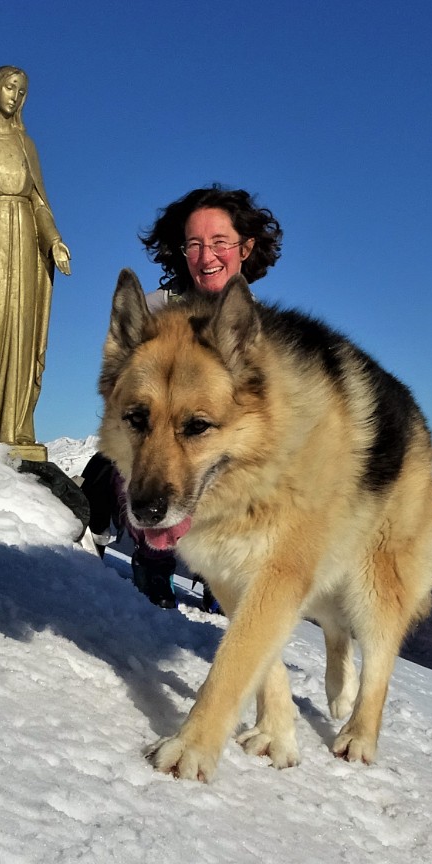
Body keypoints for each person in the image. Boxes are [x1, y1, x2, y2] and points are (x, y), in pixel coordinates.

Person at [87, 185, 283, 607]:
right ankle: (151, 562)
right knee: (122, 466)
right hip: (155, 430)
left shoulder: (256, 322)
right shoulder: (157, 308)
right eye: (193, 245)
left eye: (219, 243)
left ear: (245, 248)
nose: (206, 257)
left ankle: (225, 576)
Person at [0, 66, 70, 459]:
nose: (15, 96)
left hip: (25, 246)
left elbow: (39, 202)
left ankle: (19, 427)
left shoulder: (27, 144)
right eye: (9, 87)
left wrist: (53, 240)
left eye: (22, 91)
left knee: (22, 334)